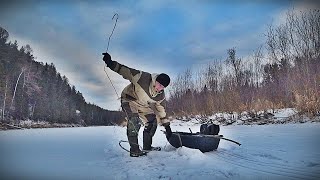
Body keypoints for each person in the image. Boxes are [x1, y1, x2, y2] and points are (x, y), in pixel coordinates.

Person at [102, 52, 172, 157]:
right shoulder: (142, 77)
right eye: (159, 85)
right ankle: (134, 150)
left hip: (142, 104)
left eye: (163, 87)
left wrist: (167, 126)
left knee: (152, 121)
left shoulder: (160, 95)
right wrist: (110, 63)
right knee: (134, 120)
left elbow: (161, 109)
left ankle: (147, 147)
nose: (160, 88)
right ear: (155, 80)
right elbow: (125, 71)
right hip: (129, 99)